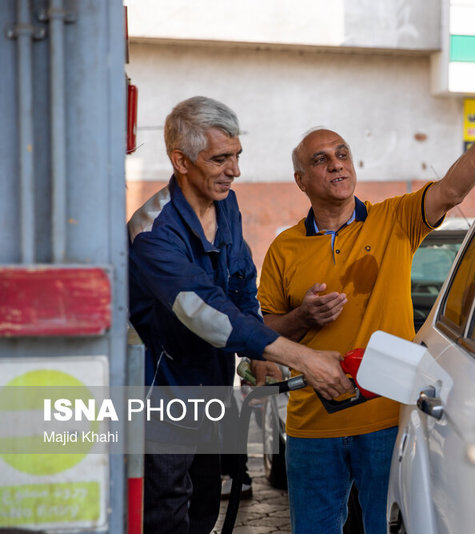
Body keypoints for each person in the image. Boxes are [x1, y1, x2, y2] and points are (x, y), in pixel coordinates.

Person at [257, 80, 475, 533]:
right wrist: (301, 318)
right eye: (320, 159)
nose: (336, 164)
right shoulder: (283, 248)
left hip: (387, 417)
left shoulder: (395, 219)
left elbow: (450, 191)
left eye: (342, 153)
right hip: (311, 425)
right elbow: (266, 330)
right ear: (301, 180)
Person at [127, 96, 352, 534]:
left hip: (210, 391)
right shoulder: (152, 234)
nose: (235, 170)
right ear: (181, 160)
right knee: (166, 514)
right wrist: (301, 357)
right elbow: (208, 313)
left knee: (206, 505)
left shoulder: (225, 204)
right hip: (160, 400)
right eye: (221, 159)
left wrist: (260, 354)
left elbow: (240, 284)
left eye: (237, 156)